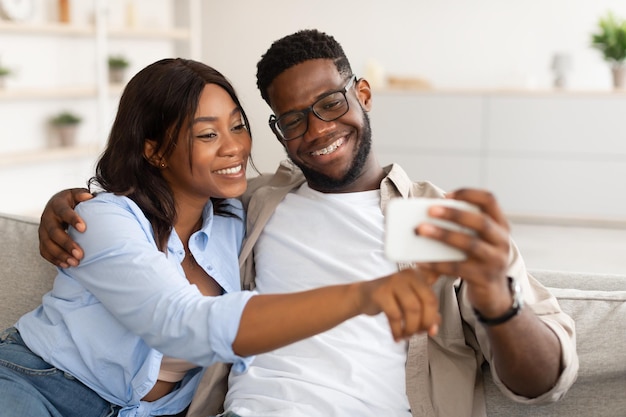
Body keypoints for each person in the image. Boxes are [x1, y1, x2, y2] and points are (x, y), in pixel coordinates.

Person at [38, 31, 578, 417]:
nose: (317, 130)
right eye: (293, 120)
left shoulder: (435, 219)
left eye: (330, 103)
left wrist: (498, 301)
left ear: (362, 95)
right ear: (277, 131)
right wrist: (69, 204)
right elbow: (166, 197)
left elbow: (543, 382)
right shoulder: (251, 207)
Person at [0, 57, 442, 417]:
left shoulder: (241, 215)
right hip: (44, 386)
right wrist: (360, 297)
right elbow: (179, 325)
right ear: (153, 150)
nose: (234, 147)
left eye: (237, 126)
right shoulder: (103, 219)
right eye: (207, 134)